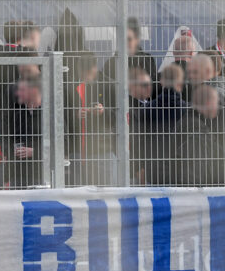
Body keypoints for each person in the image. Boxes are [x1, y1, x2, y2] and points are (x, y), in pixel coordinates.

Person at [167, 84, 225, 186]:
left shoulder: (192, 121)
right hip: (192, 186)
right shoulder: (195, 127)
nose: (218, 109)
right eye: (216, 104)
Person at [64, 52, 115, 186]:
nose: (85, 76)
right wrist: (75, 115)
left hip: (101, 149)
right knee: (78, 191)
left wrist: (103, 111)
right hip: (77, 150)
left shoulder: (108, 85)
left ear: (94, 68)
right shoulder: (70, 87)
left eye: (88, 72)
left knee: (103, 190)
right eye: (82, 73)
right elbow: (62, 116)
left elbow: (119, 116)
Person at [4, 76, 45, 187]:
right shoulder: (18, 114)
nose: (18, 94)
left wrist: (34, 152)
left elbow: (63, 143)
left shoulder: (49, 114)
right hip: (18, 176)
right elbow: (8, 138)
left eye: (22, 90)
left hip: (40, 176)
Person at [102, 17, 157, 90]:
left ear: (137, 39)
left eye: (129, 39)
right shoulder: (110, 64)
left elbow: (153, 89)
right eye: (122, 39)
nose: (125, 43)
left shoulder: (148, 61)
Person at [184, 53, 225, 124]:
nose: (190, 76)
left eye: (196, 71)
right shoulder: (217, 89)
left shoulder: (215, 93)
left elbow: (215, 130)